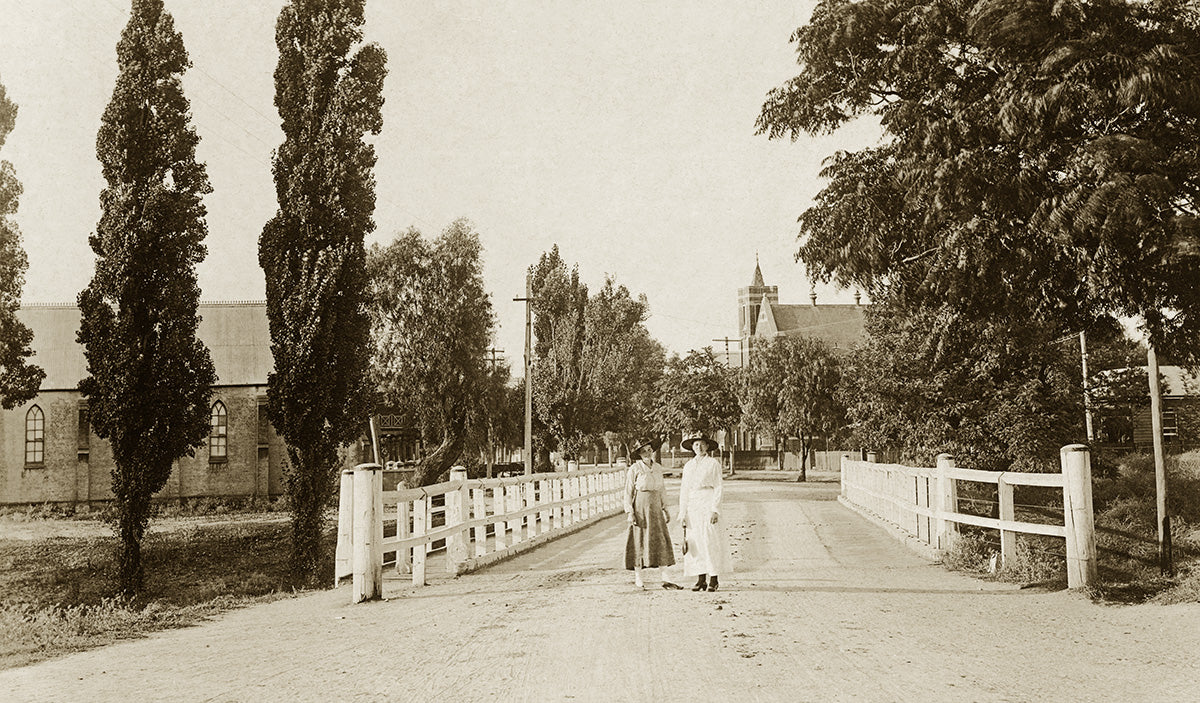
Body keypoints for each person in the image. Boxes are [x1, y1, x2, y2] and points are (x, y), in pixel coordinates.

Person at [678, 432, 731, 591]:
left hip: (707, 502)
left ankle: (714, 579)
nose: (699, 447)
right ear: (692, 448)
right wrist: (683, 513)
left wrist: (715, 509)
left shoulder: (713, 464)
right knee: (695, 542)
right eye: (695, 444)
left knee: (710, 540)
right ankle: (701, 579)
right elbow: (684, 490)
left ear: (707, 446)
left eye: (702, 444)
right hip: (693, 505)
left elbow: (718, 487)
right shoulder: (688, 466)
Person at [623, 438, 675, 589]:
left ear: (653, 451)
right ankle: (638, 576)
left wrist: (665, 508)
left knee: (660, 539)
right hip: (640, 507)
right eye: (643, 451)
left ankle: (665, 575)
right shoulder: (635, 468)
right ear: (639, 454)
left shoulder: (658, 467)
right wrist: (630, 512)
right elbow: (628, 492)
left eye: (649, 450)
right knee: (639, 540)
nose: (647, 453)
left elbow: (662, 489)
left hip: (656, 507)